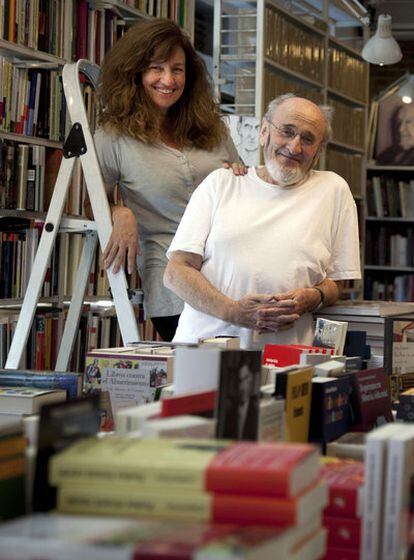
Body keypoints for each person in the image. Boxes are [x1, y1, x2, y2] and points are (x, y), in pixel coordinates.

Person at [164, 94, 361, 349]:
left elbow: (337, 283)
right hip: (203, 351)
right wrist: (234, 312)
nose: (295, 147)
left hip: (286, 358)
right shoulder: (221, 182)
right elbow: (176, 272)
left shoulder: (333, 190)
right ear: (264, 132)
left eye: (308, 139)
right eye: (287, 132)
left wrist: (313, 297)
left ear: (319, 150)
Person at [91, 19, 245, 342]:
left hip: (235, 278)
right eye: (156, 69)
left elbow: (243, 188)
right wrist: (119, 211)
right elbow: (83, 200)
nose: (168, 80)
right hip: (172, 288)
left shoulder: (213, 129)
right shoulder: (113, 137)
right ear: (135, 73)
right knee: (206, 379)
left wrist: (243, 183)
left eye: (177, 69)